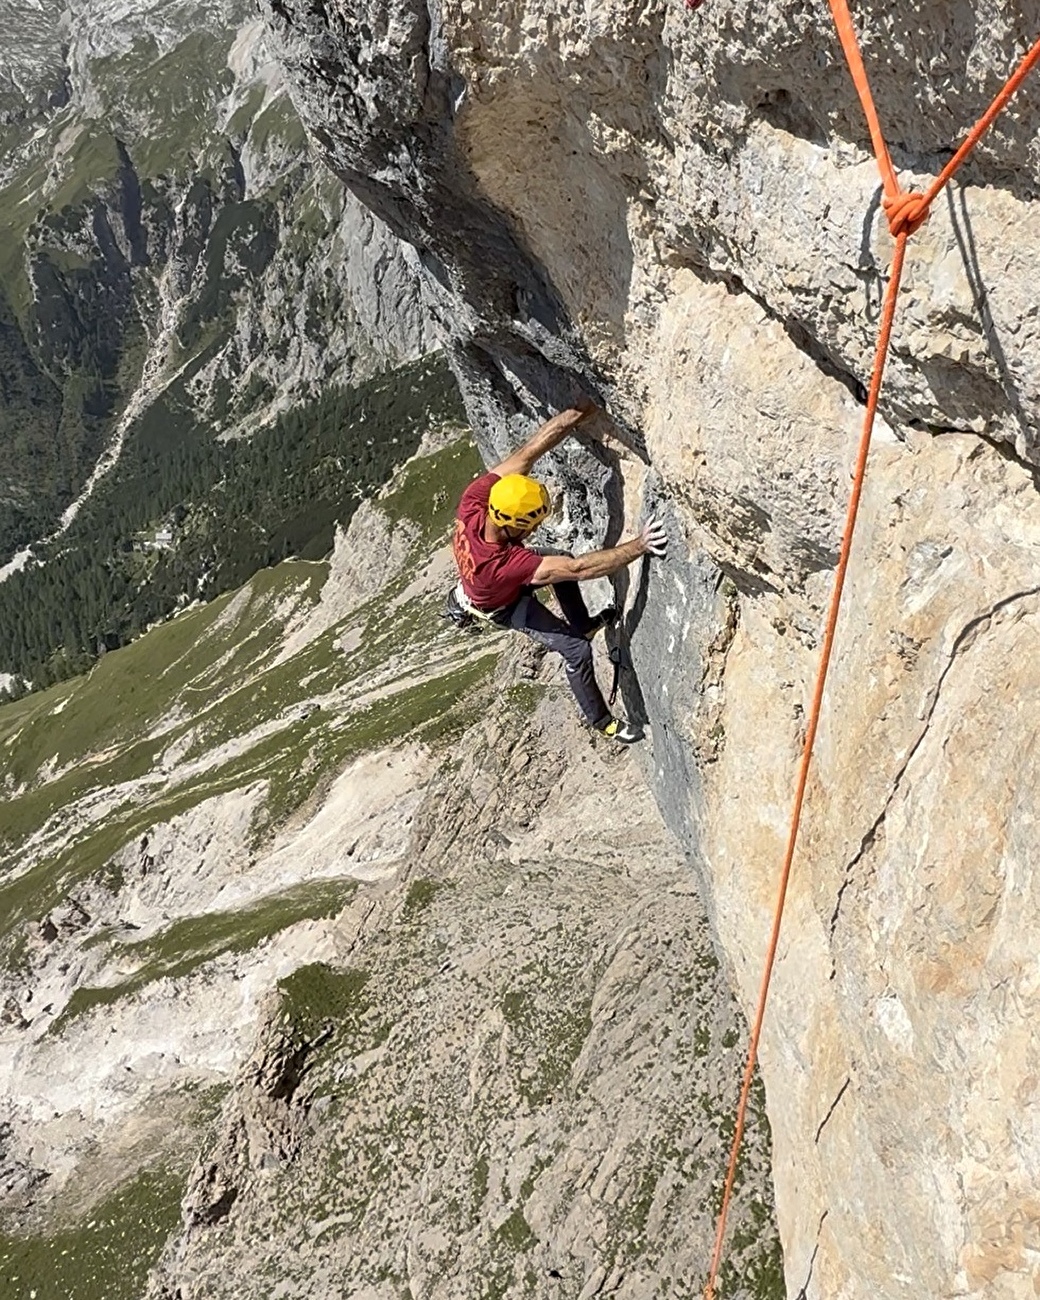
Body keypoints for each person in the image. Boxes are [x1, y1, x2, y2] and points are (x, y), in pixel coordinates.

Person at [450, 401, 667, 743]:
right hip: (503, 605)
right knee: (576, 650)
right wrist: (640, 545)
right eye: (531, 524)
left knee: (559, 559)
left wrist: (574, 415)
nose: (535, 530)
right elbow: (579, 569)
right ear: (511, 525)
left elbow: (527, 453)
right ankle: (604, 723)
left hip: (491, 581)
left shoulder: (476, 500)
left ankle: (584, 623)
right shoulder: (501, 565)